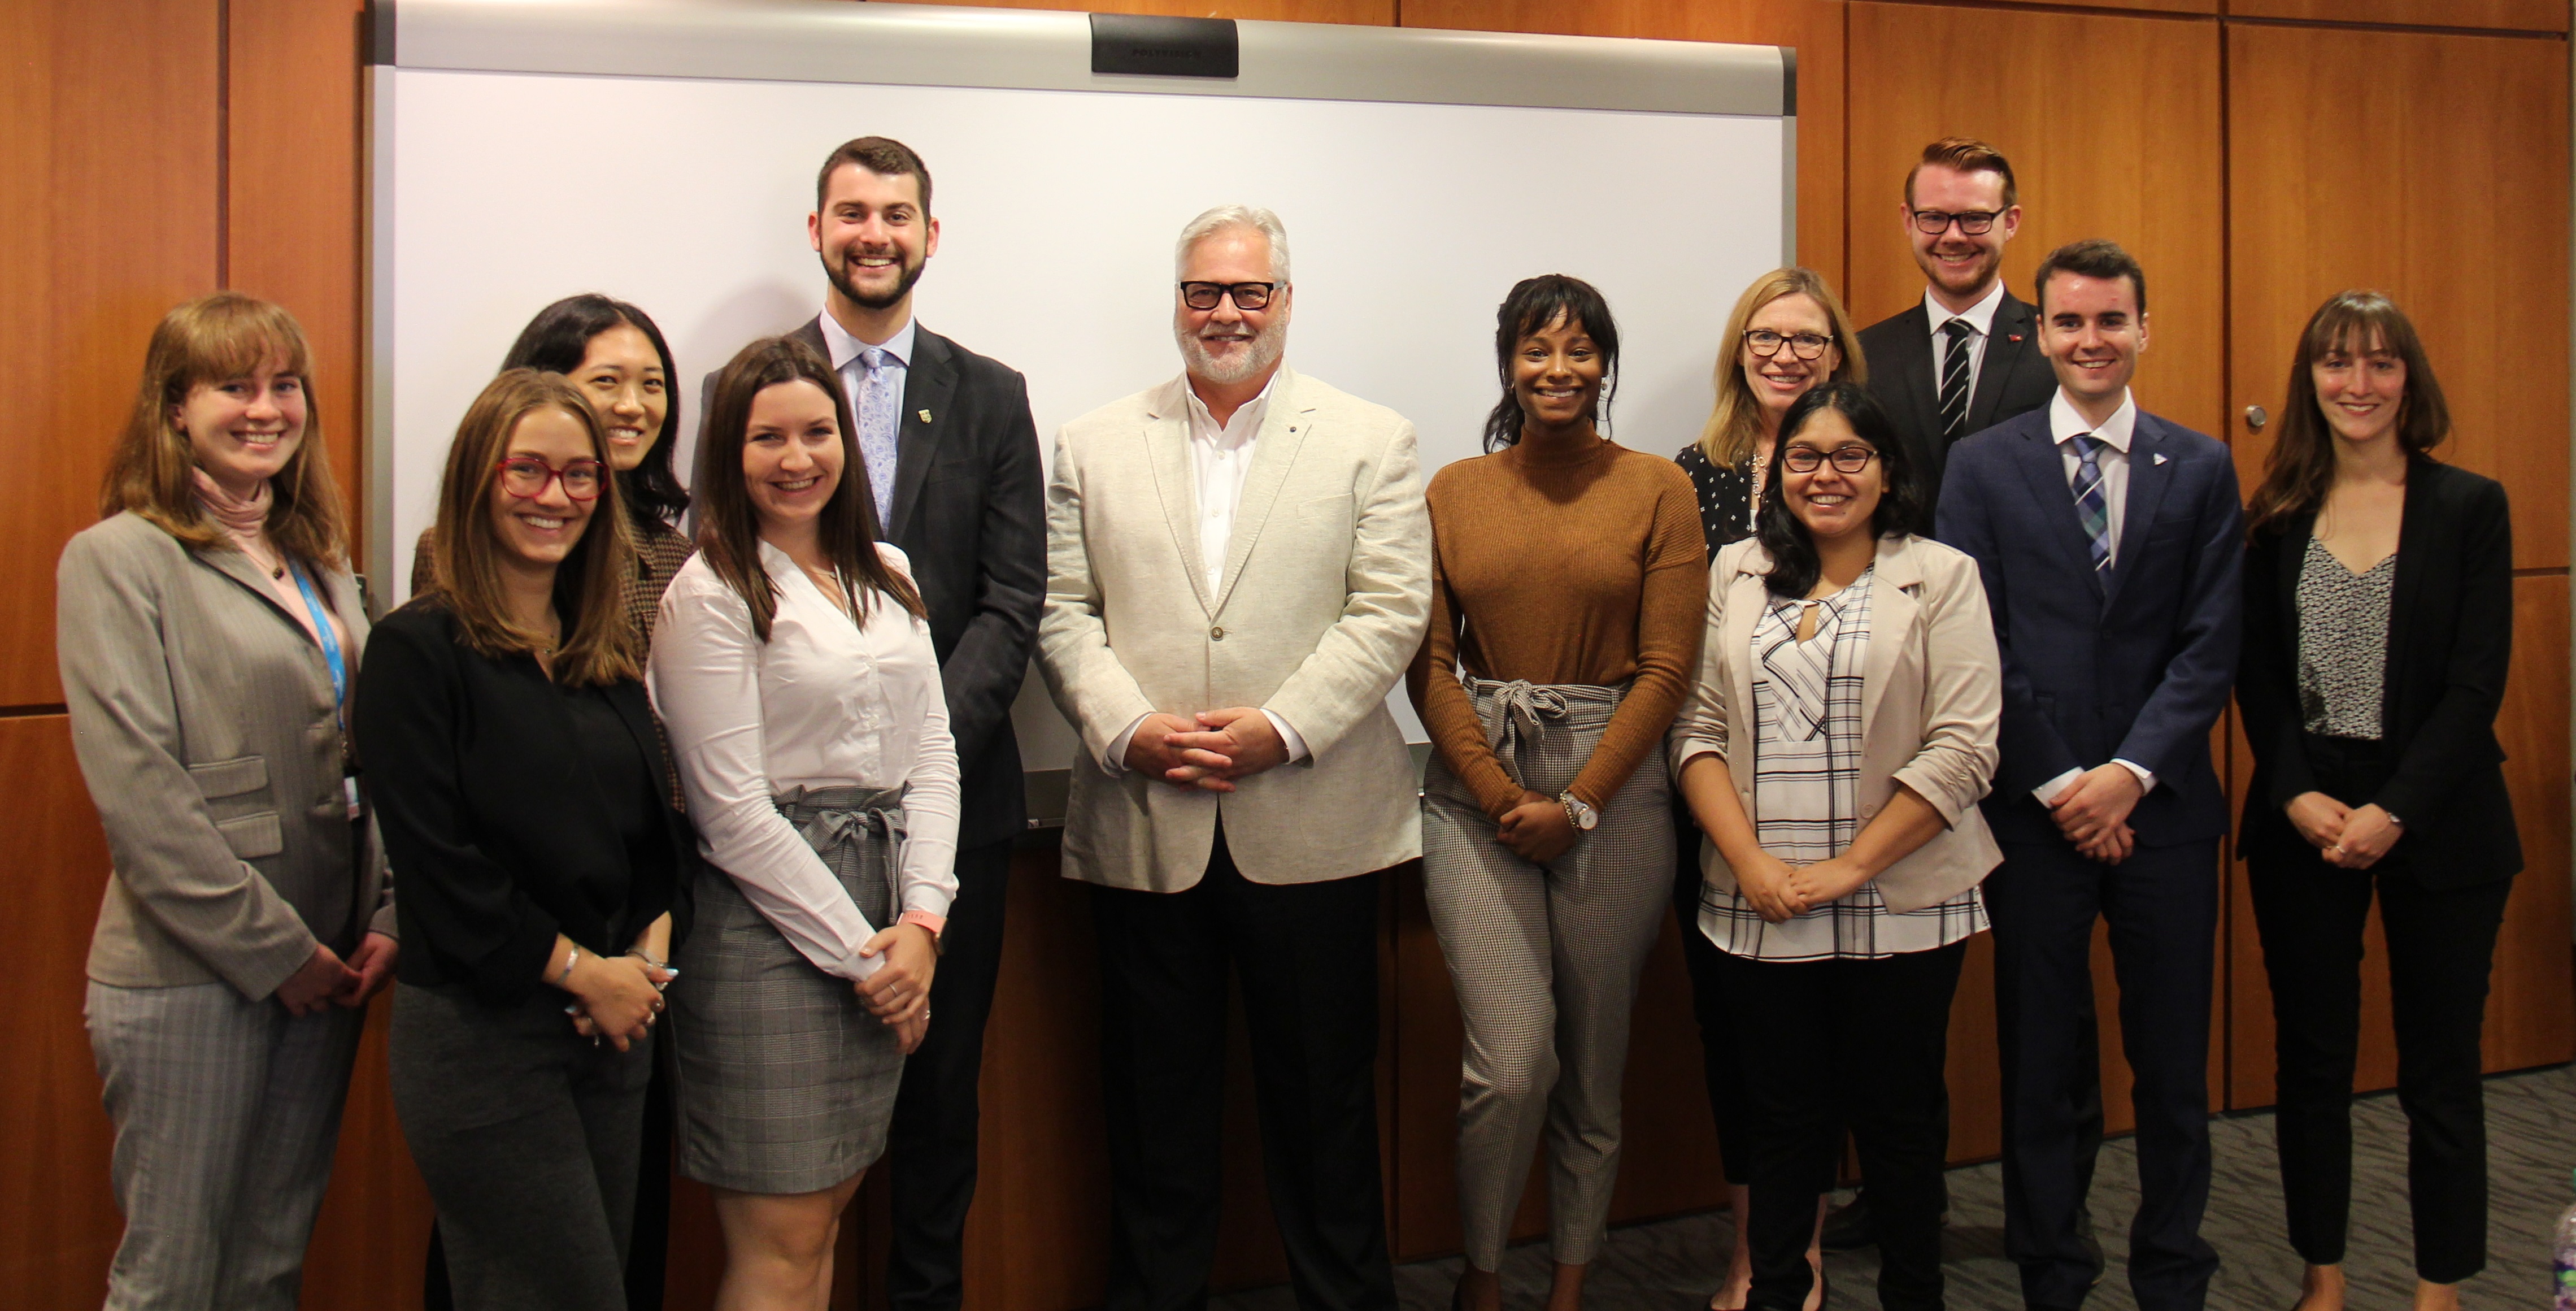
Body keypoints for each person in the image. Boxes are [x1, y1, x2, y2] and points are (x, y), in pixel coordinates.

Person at [1036, 205, 1428, 1311]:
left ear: (1286, 303)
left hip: (1313, 828)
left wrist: (1280, 726)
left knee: (1328, 1118)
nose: (1225, 311)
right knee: (1155, 1120)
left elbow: (1390, 608)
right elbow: (1063, 610)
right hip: (1145, 824)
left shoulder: (1372, 437)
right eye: (1203, 291)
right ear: (1176, 303)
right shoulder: (1090, 442)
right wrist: (1127, 726)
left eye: (1249, 291)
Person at [58, 291, 397, 1310]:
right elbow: (142, 798)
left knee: (265, 1268)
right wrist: (276, 955)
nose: (265, 409)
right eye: (232, 387)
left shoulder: (320, 560)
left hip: (333, 959)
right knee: (172, 1277)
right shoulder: (119, 559)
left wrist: (386, 913)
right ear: (174, 409)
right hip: (196, 973)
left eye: (284, 385)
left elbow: (368, 753)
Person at [1935, 240, 2242, 1311]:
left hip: (2165, 816)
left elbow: (2211, 642)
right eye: (2070, 322)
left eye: (2112, 321)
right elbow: (1976, 643)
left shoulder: (2199, 466)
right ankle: (2052, 1272)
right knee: (2043, 1062)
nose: (2091, 340)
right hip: (2035, 817)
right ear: (2042, 333)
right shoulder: (1984, 464)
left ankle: (2174, 1273)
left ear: (2143, 329)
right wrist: (2068, 781)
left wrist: (2132, 776)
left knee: (2172, 1069)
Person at [355, 368, 691, 1309]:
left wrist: (642, 967)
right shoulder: (417, 652)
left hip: (614, 1034)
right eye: (529, 471)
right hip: (486, 1043)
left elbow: (659, 843)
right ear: (480, 477)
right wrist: (586, 973)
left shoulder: (602, 654)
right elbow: (439, 871)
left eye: (582, 476)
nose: (558, 497)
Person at [1672, 381, 2001, 1311]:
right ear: (1779, 472)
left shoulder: (1941, 575)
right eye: (1806, 457)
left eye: (1850, 455)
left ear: (1887, 470)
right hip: (1757, 901)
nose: (1826, 474)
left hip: (1901, 903)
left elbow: (1966, 747)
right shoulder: (1734, 571)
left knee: (1899, 1129)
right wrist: (1752, 865)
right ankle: (1780, 1292)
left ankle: (1914, 1297)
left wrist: (1848, 870)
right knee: (1780, 1125)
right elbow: (1695, 731)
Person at [1409, 275, 1704, 1311]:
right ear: (1507, 364)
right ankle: (1482, 1279)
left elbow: (1668, 668)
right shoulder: (1450, 489)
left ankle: (1570, 1287)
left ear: (1605, 364)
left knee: (1593, 1066)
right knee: (1514, 1063)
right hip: (1473, 792)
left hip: (1612, 792)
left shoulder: (1658, 488)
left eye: (1580, 351)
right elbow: (1430, 664)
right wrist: (1498, 794)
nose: (1559, 370)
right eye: (1538, 351)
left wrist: (1577, 803)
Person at [784, 138, 1045, 1311]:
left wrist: (922, 738)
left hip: (962, 815)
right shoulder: (760, 382)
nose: (874, 233)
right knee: (804, 1115)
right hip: (794, 819)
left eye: (897, 213)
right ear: (818, 231)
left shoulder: (991, 393)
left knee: (941, 1100)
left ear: (931, 236)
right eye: (853, 213)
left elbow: (1013, 597)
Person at [652, 335, 958, 1310]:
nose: (797, 459)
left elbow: (933, 757)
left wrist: (922, 926)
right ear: (726, 455)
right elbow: (731, 815)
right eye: (766, 438)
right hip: (767, 929)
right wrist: (873, 964)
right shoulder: (708, 594)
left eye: (818, 432)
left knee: (827, 1212)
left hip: (888, 915)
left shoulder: (888, 567)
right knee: (780, 1237)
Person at [2237, 292, 2518, 1311]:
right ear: (2310, 381)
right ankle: (2323, 1278)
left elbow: (2477, 684)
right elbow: (2258, 677)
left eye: (2381, 363)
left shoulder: (2468, 506)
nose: (2358, 384)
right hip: (2303, 819)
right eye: (2336, 363)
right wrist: (2297, 791)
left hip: (2439, 818)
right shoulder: (2274, 512)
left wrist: (2393, 809)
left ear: (2411, 378)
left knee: (2440, 1073)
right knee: (2313, 1064)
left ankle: (2439, 1288)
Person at [1672, 266, 1864, 1303]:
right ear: (1738, 351)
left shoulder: (1870, 469)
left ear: (1837, 356)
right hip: (1706, 798)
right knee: (1734, 1030)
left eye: (1808, 339)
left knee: (1820, 1034)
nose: (1786, 355)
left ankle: (1807, 1247)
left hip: (1836, 803)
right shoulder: (1686, 476)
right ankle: (1755, 1248)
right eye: (1766, 337)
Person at [1855, 138, 2055, 505]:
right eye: (1933, 218)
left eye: (1975, 218)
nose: (1953, 236)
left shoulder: (2054, 348)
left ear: (2010, 222)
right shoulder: (1864, 356)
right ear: (1907, 220)